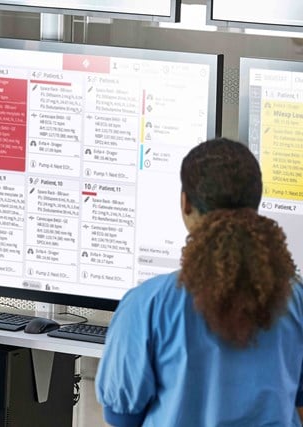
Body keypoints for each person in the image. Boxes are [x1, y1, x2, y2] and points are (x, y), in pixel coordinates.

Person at [95, 138, 303, 426]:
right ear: (257, 202)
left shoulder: (148, 304)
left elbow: (121, 416)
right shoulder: (297, 300)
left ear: (185, 203)